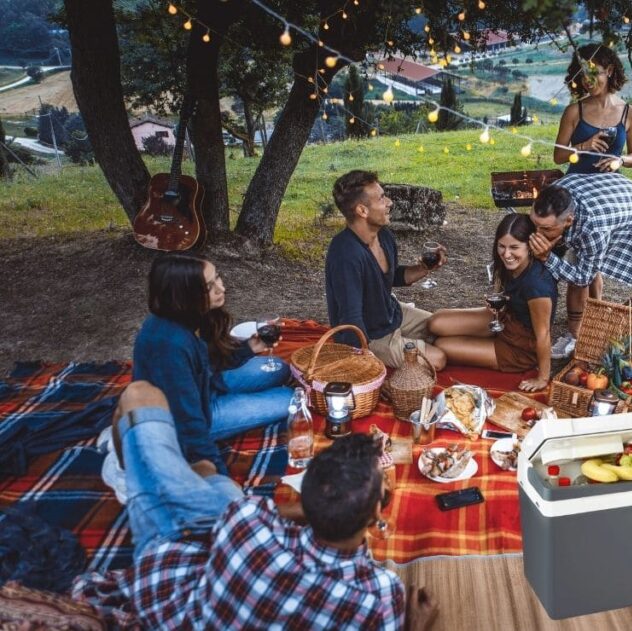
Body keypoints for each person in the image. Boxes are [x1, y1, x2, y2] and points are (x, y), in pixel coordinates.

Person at [74, 382, 439, 630]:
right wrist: (419, 624)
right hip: (190, 544)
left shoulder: (249, 522)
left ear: (304, 494)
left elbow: (245, 515)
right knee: (211, 479)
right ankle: (153, 479)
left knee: (144, 400)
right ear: (377, 514)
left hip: (169, 567)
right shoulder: (379, 595)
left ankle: (144, 478)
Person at [127, 253, 292, 478]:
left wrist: (250, 348)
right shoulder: (168, 345)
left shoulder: (192, 315)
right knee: (290, 399)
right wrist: (219, 479)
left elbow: (210, 362)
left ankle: (236, 395)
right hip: (201, 413)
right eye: (209, 287)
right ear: (184, 295)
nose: (221, 288)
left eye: (218, 278)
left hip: (208, 384)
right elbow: (188, 421)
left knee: (279, 367)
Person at [528, 174, 632, 359]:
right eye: (535, 224)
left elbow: (582, 277)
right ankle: (578, 333)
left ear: (568, 220)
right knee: (583, 260)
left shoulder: (593, 228)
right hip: (609, 197)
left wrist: (547, 258)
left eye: (546, 229)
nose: (538, 233)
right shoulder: (555, 193)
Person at [325, 170, 447, 371]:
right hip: (371, 335)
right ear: (362, 211)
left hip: (391, 314)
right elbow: (351, 317)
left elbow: (389, 277)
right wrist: (362, 361)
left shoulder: (384, 235)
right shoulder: (345, 254)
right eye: (382, 198)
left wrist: (424, 268)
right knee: (438, 358)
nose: (389, 202)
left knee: (444, 328)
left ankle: (410, 340)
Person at [429, 214, 557, 392]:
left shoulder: (537, 285)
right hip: (504, 320)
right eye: (501, 246)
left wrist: (543, 378)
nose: (506, 254)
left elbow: (543, 335)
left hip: (519, 348)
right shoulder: (508, 266)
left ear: (530, 247)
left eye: (514, 247)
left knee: (441, 346)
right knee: (436, 322)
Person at [553, 43, 632, 174]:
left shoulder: (630, 113)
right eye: (583, 74)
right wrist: (584, 146)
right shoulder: (573, 112)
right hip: (577, 181)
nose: (588, 80)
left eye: (593, 73)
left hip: (612, 183)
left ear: (609, 71)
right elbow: (558, 157)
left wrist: (620, 160)